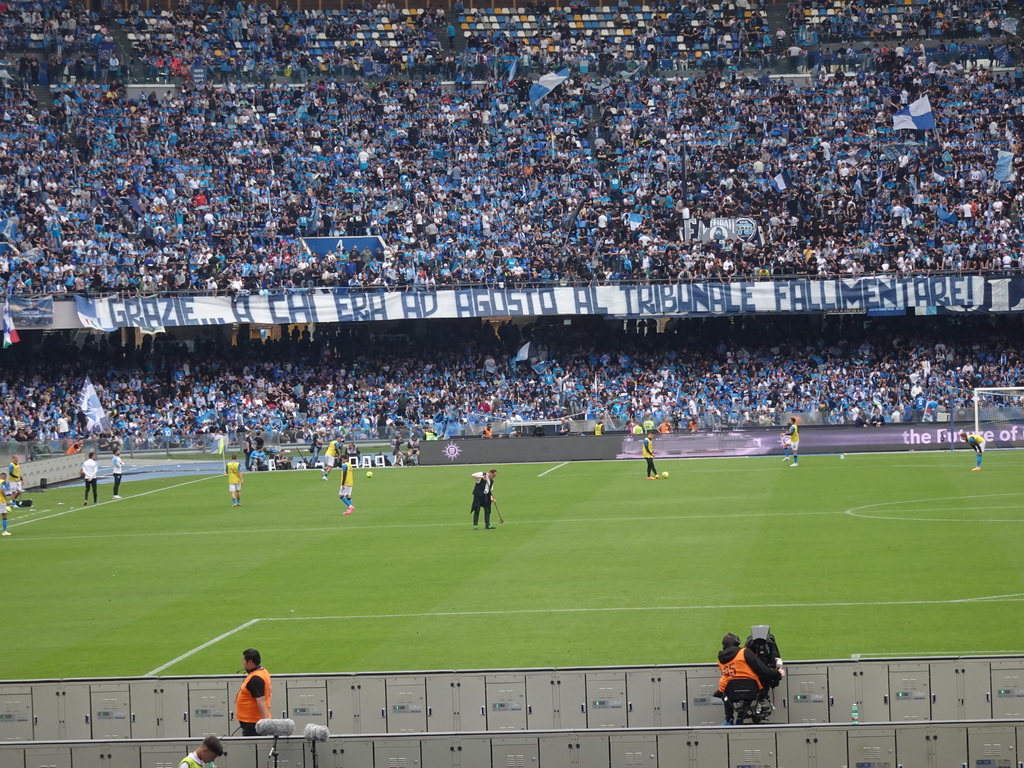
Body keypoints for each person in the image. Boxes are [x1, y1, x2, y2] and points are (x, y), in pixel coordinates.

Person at [716, 632, 783, 726]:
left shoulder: (720, 659)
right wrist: (777, 673)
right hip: (750, 689)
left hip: (729, 691)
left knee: (727, 692)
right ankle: (740, 717)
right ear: (736, 642)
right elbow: (762, 669)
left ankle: (729, 719)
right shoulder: (744, 652)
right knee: (758, 689)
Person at [235, 648, 271, 736]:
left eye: (244, 660)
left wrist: (264, 723)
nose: (242, 662)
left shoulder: (255, 678)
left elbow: (261, 700)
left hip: (253, 723)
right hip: (252, 721)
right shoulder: (262, 672)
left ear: (250, 662)